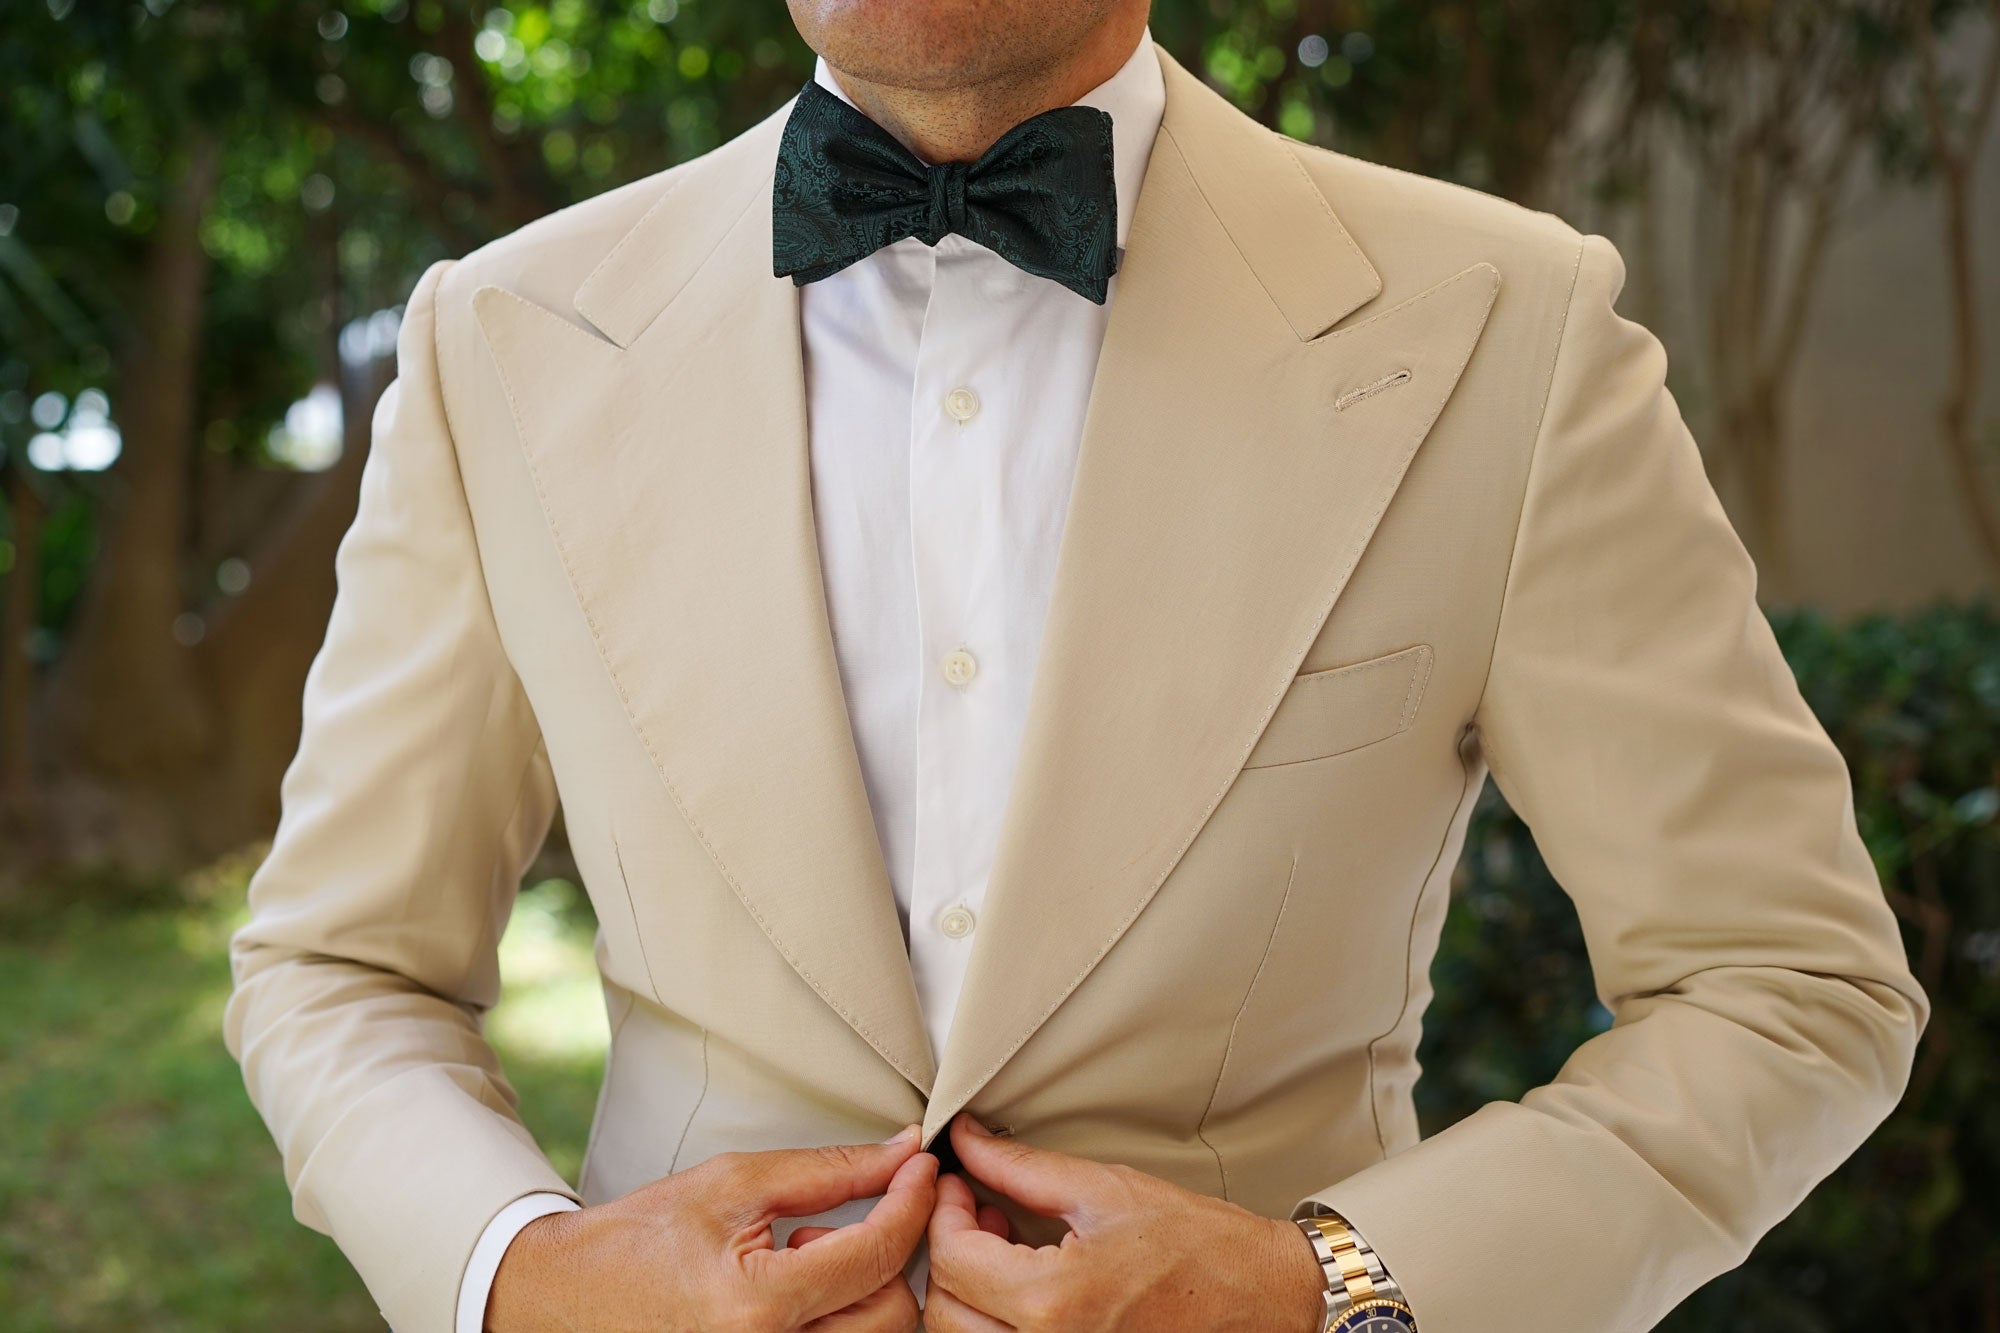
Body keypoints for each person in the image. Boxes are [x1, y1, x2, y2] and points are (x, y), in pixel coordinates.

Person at [222, 0, 1930, 1329]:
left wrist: (1326, 1287)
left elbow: (1790, 985)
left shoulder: (1505, 329)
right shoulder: (502, 339)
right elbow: (336, 968)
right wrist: (518, 1275)